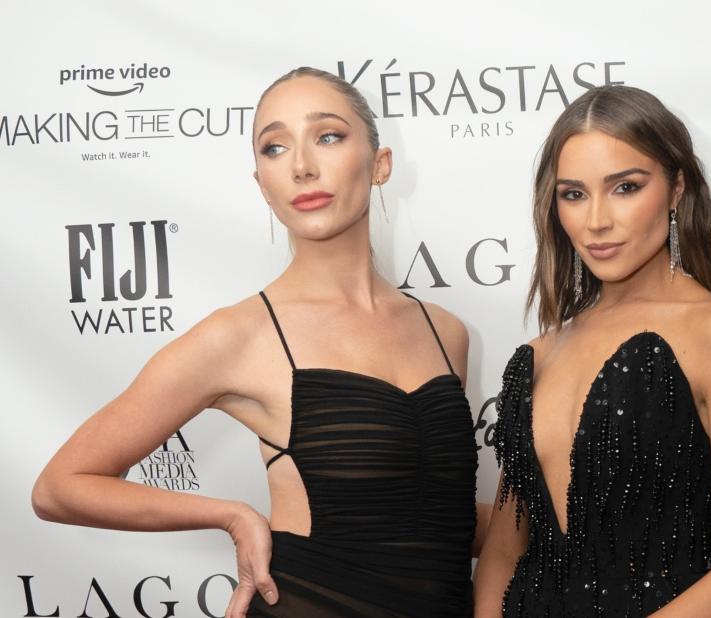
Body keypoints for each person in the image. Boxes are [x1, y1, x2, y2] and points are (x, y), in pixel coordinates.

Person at [32, 67, 481, 618]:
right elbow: (60, 487)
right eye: (275, 147)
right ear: (261, 183)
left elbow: (432, 517)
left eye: (328, 136)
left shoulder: (445, 332)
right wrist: (232, 515)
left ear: (380, 164)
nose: (301, 166)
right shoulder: (240, 335)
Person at [474, 85, 711, 617]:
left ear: (676, 189)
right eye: (573, 194)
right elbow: (504, 554)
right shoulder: (537, 355)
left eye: (625, 187)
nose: (596, 220)